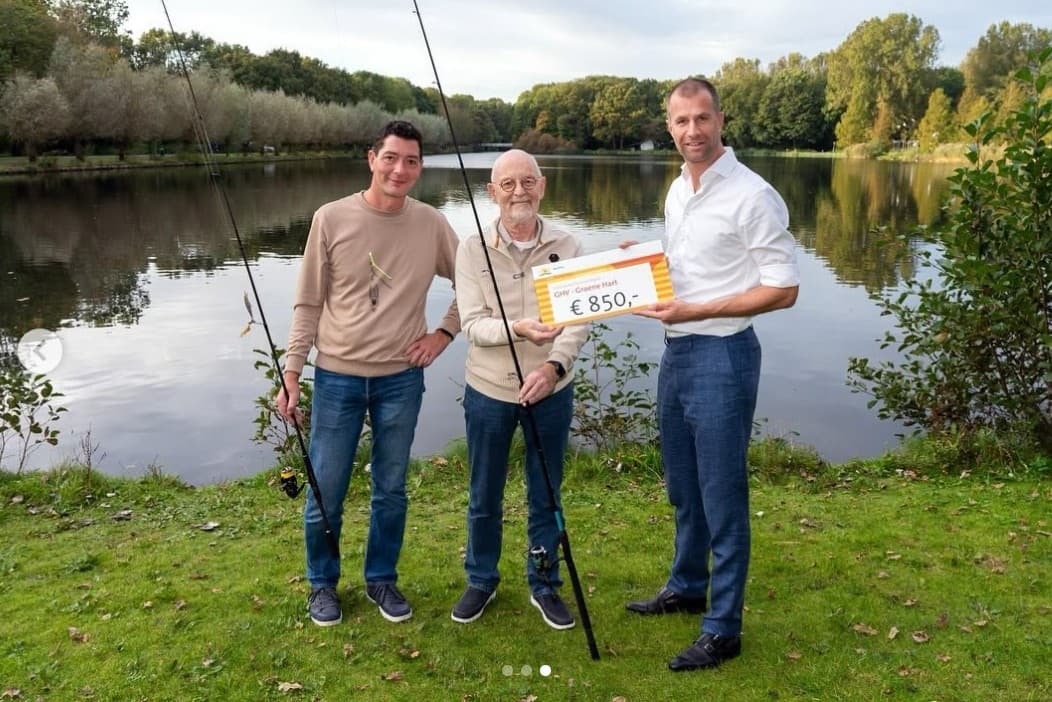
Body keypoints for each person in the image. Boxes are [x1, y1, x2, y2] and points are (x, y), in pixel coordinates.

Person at [625, 78, 800, 670]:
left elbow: (783, 289)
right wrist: (636, 264)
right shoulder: (680, 188)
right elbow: (689, 266)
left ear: (721, 120)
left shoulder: (753, 195)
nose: (692, 131)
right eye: (681, 121)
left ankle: (723, 628)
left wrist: (696, 311)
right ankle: (687, 585)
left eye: (702, 118)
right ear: (669, 127)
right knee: (683, 485)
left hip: (722, 355)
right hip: (677, 352)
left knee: (721, 494)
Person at [276, 120, 460, 627]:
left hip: (402, 379)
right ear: (372, 159)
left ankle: (381, 579)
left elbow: (476, 281)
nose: (400, 169)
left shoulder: (431, 224)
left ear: (420, 168)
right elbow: (308, 303)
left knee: (391, 488)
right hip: (336, 378)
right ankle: (322, 585)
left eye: (411, 161)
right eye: (391, 158)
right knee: (325, 489)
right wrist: (292, 371)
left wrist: (443, 334)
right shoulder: (330, 218)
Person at [450, 149, 588, 630]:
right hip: (488, 391)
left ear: (542, 185)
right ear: (492, 193)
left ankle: (544, 583)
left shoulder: (569, 245)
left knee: (546, 493)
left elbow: (577, 320)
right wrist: (518, 329)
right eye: (507, 184)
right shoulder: (471, 249)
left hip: (551, 391)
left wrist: (553, 367)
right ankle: (481, 578)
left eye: (527, 181)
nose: (518, 192)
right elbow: (471, 324)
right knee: (483, 492)